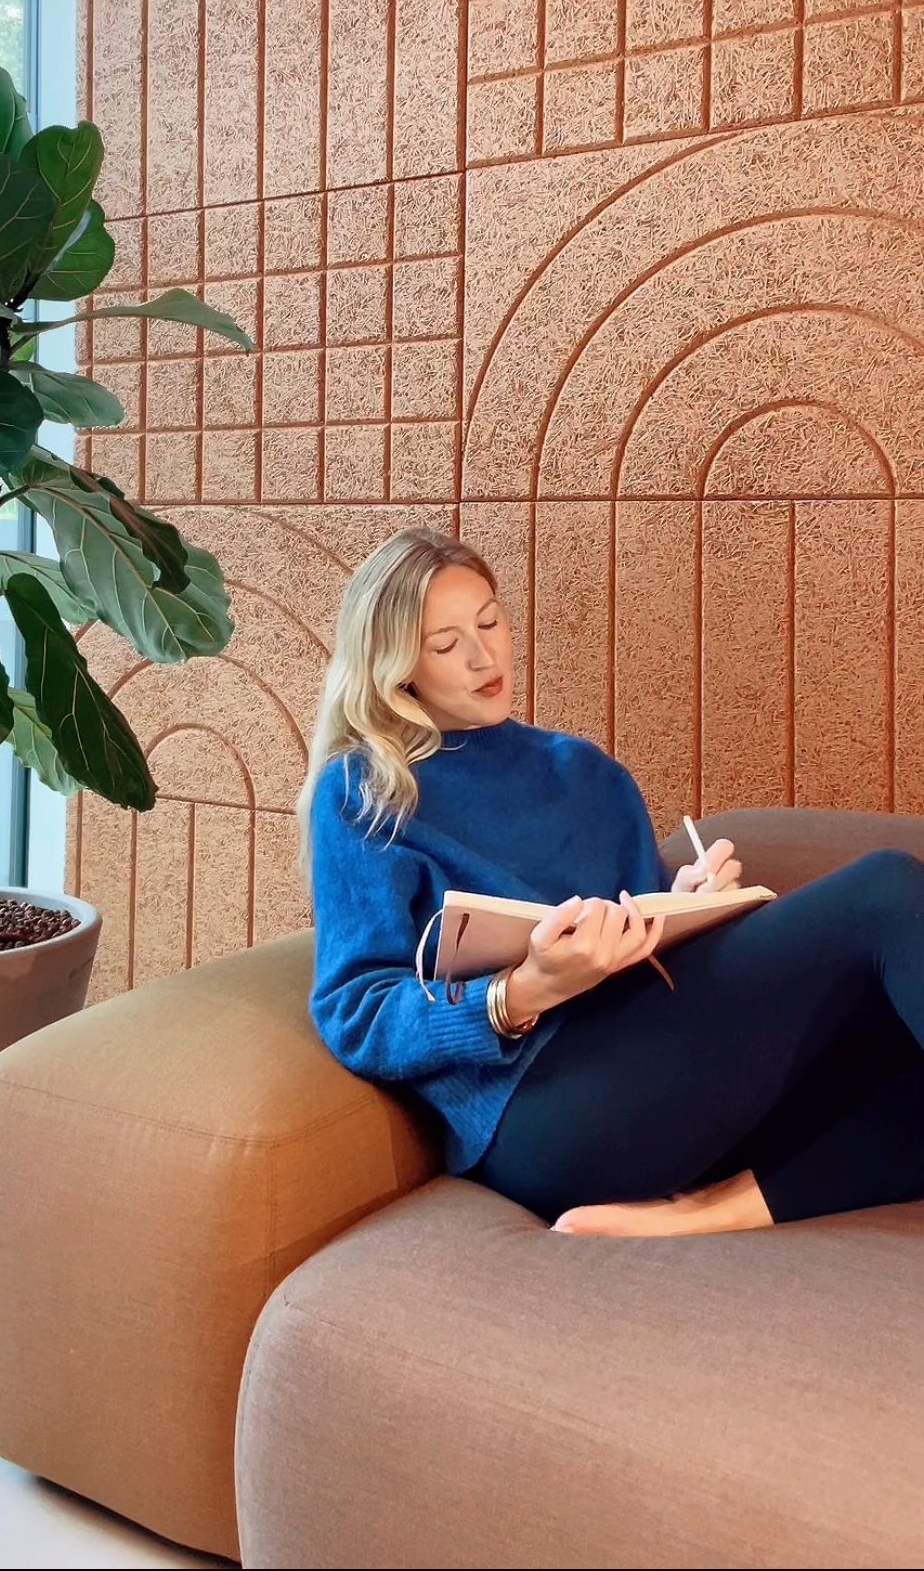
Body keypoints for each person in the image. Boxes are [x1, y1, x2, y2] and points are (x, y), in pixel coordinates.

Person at [303, 527, 924, 1236]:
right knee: (886, 889)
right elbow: (355, 1010)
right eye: (446, 644)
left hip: (654, 1071)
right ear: (398, 665)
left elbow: (647, 958)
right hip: (542, 1111)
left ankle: (708, 1212)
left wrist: (689, 908)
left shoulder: (584, 771)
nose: (483, 656)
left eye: (489, 621)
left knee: (899, 1035)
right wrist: (518, 992)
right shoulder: (366, 792)